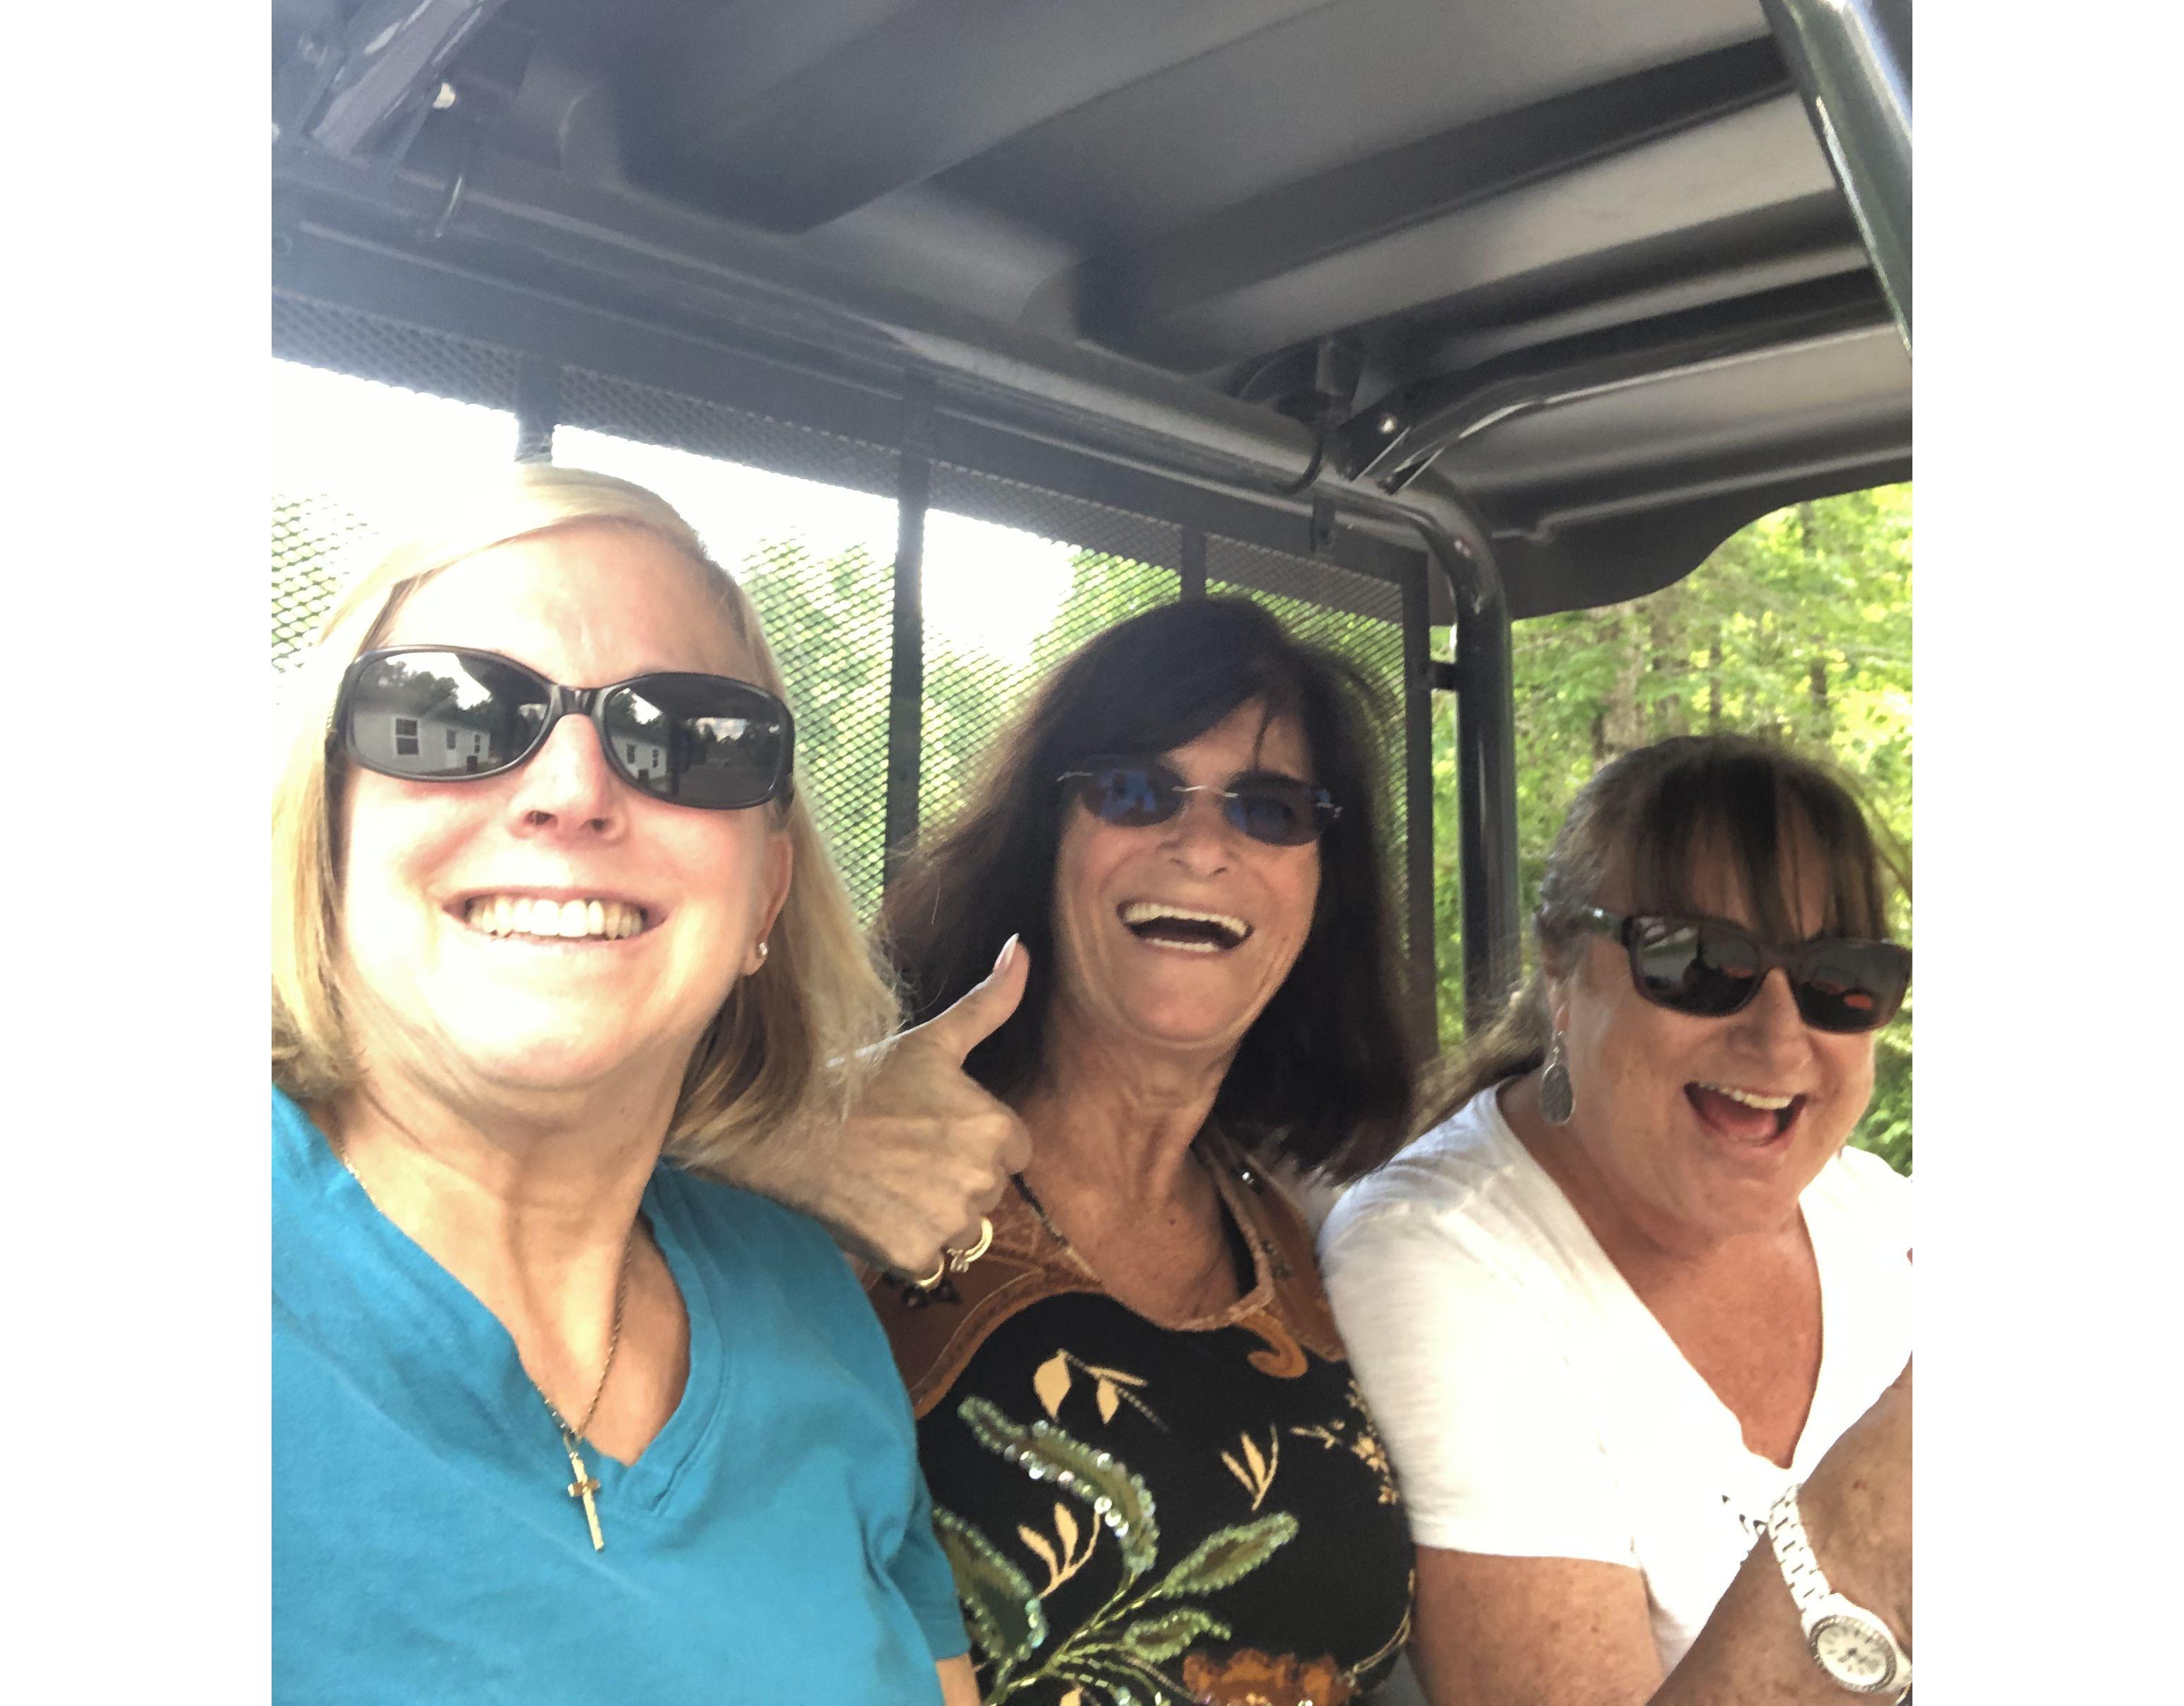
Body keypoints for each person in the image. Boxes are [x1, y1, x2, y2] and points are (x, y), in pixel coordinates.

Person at [272, 465, 1012, 1704]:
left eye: (687, 738)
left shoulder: (803, 1305)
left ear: (762, 898)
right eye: (448, 714)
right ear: (327, 828)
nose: (571, 791)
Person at [871, 596, 1421, 1706]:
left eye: (1270, 812)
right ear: (1044, 841)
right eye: (1133, 791)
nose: (1202, 844)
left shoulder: (1317, 1239)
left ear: (1326, 887)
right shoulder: (861, 1187)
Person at [1320, 736, 1913, 1706]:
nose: (1777, 1035)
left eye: (1841, 981)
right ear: (1560, 964)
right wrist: (1868, 1520)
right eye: (1696, 962)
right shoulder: (1438, 1258)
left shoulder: (1882, 1217)